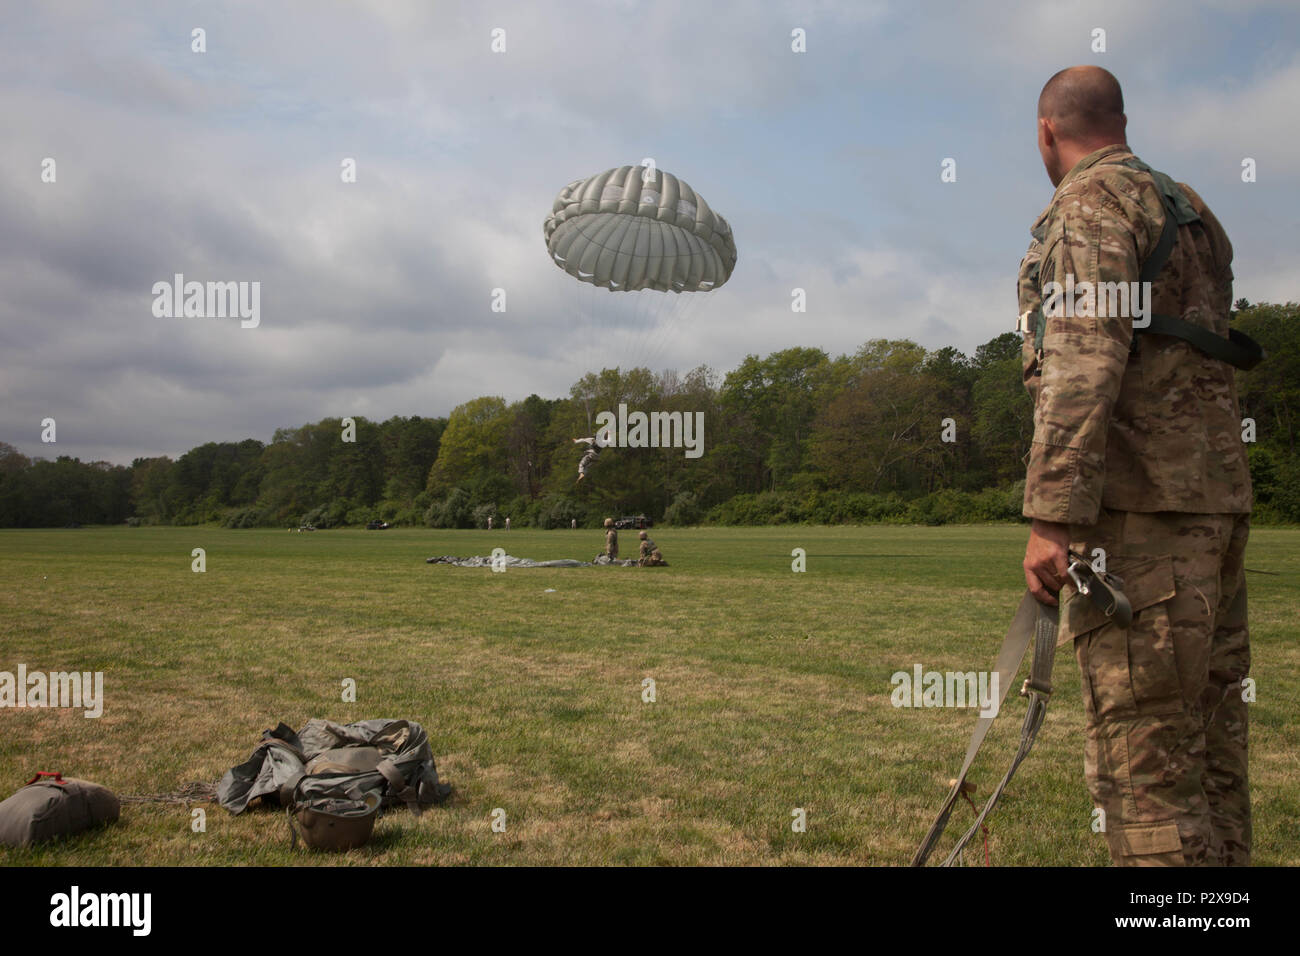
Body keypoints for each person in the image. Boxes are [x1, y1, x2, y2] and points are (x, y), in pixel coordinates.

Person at [1019, 66, 1252, 867]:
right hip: (1213, 510)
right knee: (1210, 755)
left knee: (1145, 765)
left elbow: (1084, 358)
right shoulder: (1188, 208)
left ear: (1047, 132)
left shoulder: (1090, 205)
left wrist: (1052, 513)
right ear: (1121, 120)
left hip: (1143, 521)